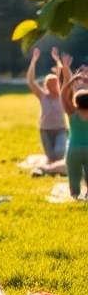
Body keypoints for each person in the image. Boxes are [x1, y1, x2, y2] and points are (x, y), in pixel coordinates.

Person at [28, 48, 68, 163]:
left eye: (55, 83)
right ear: (46, 85)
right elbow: (31, 81)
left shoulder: (62, 95)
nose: (53, 86)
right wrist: (33, 61)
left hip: (61, 130)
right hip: (45, 130)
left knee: (59, 153)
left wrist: (57, 60)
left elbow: (63, 76)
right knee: (51, 158)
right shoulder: (43, 96)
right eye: (50, 84)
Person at [58, 57, 88, 199]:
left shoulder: (72, 113)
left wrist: (72, 80)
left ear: (76, 102)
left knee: (74, 177)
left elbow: (63, 95)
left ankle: (75, 194)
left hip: (74, 150)